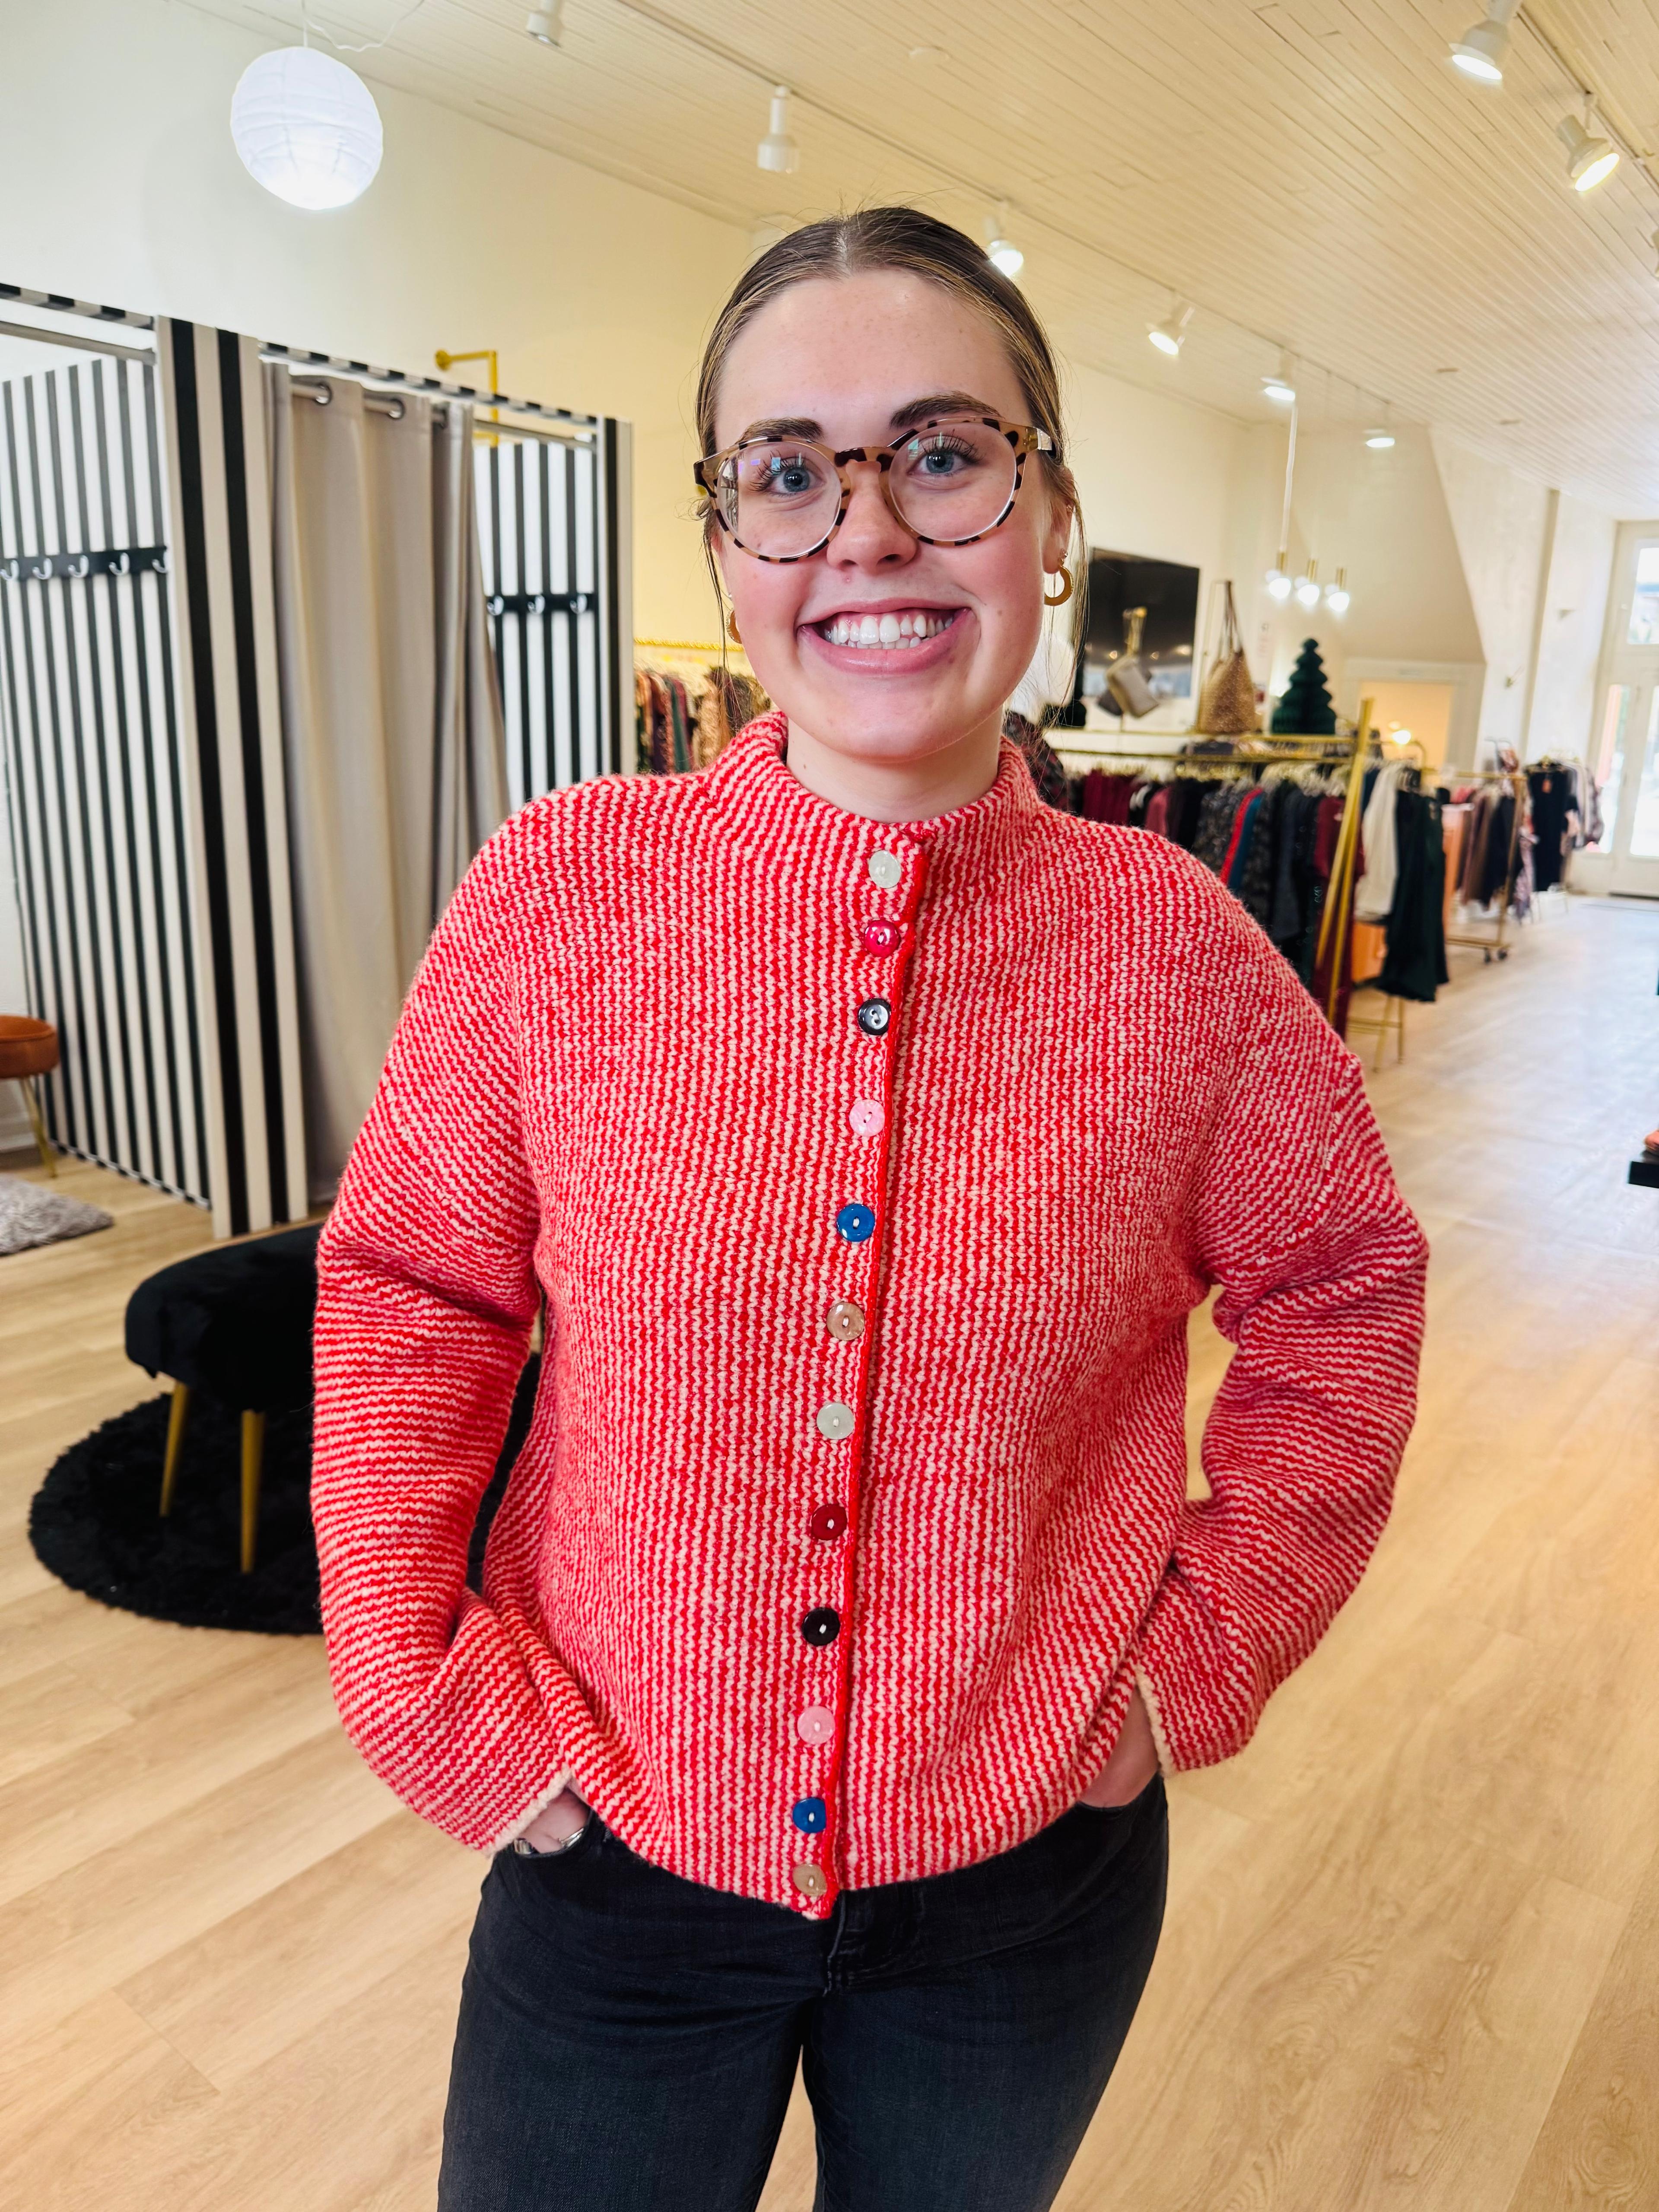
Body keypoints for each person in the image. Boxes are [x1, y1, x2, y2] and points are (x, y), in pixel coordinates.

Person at [310, 207, 1429, 2212]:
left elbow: (1343, 1283)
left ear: (1050, 516)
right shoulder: (561, 895)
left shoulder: (1177, 946)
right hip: (614, 1840)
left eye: (940, 451)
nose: (869, 532)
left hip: (1027, 1877)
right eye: (788, 472)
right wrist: (419, 1670)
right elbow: (411, 1289)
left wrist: (1200, 1646)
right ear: (724, 542)